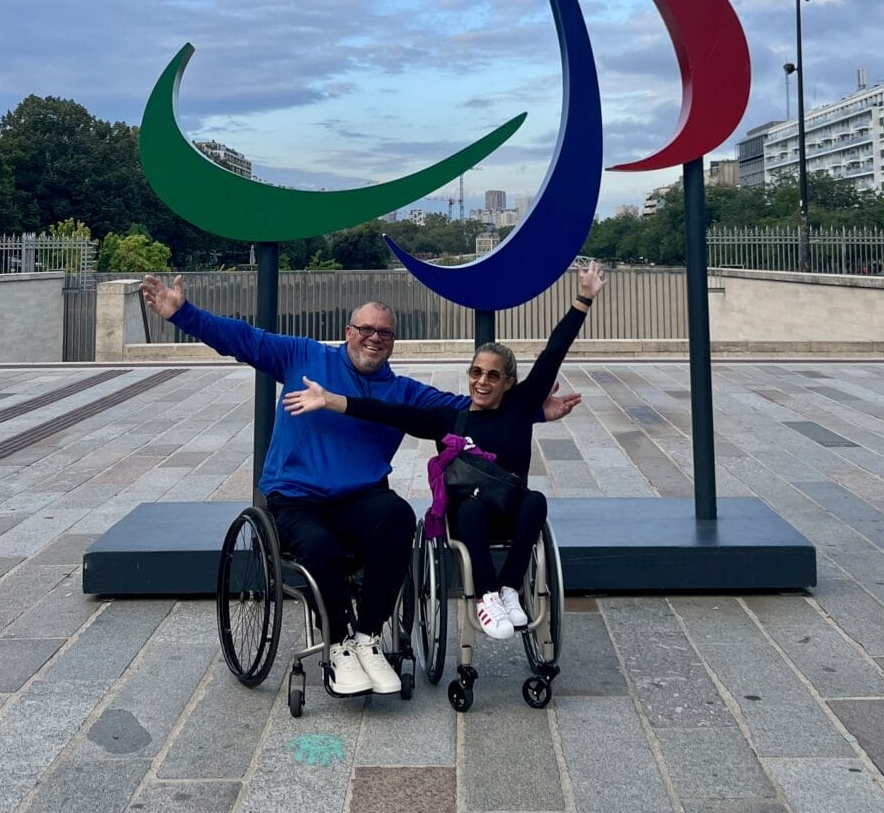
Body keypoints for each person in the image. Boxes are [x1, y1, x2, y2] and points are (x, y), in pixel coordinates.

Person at [139, 278, 487, 698]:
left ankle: (367, 637)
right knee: (319, 546)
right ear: (348, 332)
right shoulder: (305, 356)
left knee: (397, 517)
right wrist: (182, 313)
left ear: (393, 341)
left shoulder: (402, 392)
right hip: (297, 498)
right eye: (365, 329)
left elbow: (469, 408)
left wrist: (533, 407)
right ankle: (338, 641)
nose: (374, 339)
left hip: (359, 498)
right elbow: (242, 339)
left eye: (384, 333)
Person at [284, 260, 605, 642]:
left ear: (509, 383)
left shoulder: (520, 407)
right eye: (476, 373)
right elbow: (389, 413)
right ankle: (486, 596)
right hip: (468, 515)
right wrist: (333, 400)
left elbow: (554, 352)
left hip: (510, 508)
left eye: (493, 376)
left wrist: (583, 299)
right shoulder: (447, 418)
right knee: (469, 508)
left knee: (536, 500)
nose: (482, 382)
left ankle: (508, 589)